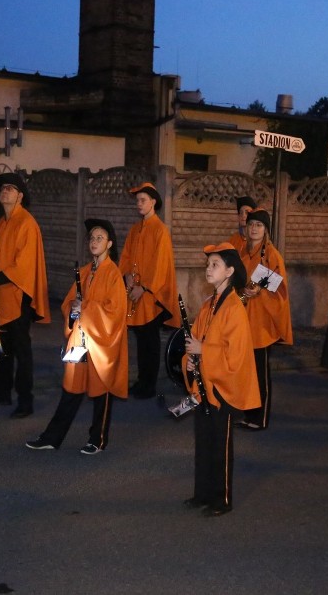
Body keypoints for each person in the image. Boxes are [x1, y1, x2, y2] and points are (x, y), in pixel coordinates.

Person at [26, 219, 127, 454]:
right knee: (70, 387)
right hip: (80, 338)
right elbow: (69, 304)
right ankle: (52, 437)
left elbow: (115, 311)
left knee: (102, 388)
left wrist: (87, 308)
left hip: (102, 341)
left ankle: (98, 439)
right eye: (91, 238)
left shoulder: (114, 274)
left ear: (110, 243)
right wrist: (73, 308)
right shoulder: (83, 272)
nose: (94, 241)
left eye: (99, 238)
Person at [181, 243, 259, 516]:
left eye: (215, 264)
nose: (208, 268)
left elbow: (235, 356)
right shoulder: (208, 305)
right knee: (203, 442)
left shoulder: (235, 308)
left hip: (222, 388)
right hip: (205, 384)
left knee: (220, 445)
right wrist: (191, 360)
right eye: (208, 264)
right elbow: (196, 340)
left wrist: (204, 351)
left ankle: (222, 498)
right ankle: (202, 493)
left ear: (229, 271)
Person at [0, 173, 50, 418]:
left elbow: (23, 265)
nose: (5, 192)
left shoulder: (26, 223)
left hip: (19, 294)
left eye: (11, 189)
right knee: (3, 347)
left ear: (20, 195)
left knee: (22, 350)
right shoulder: (1, 222)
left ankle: (26, 400)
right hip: (0, 296)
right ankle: (2, 392)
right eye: (2, 188)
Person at [119, 182, 180, 399]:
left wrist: (144, 287)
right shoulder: (135, 230)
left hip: (149, 296)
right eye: (137, 200)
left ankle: (149, 385)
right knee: (141, 340)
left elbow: (161, 264)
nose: (139, 204)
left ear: (153, 202)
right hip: (134, 291)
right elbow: (125, 256)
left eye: (143, 200)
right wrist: (126, 275)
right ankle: (142, 381)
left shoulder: (160, 230)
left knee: (150, 340)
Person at [236, 208, 292, 430]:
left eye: (259, 225)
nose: (254, 228)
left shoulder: (270, 255)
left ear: (266, 229)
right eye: (251, 225)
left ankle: (260, 418)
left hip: (260, 322)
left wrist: (259, 288)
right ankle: (248, 413)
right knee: (245, 371)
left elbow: (280, 286)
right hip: (243, 319)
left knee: (259, 372)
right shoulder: (241, 252)